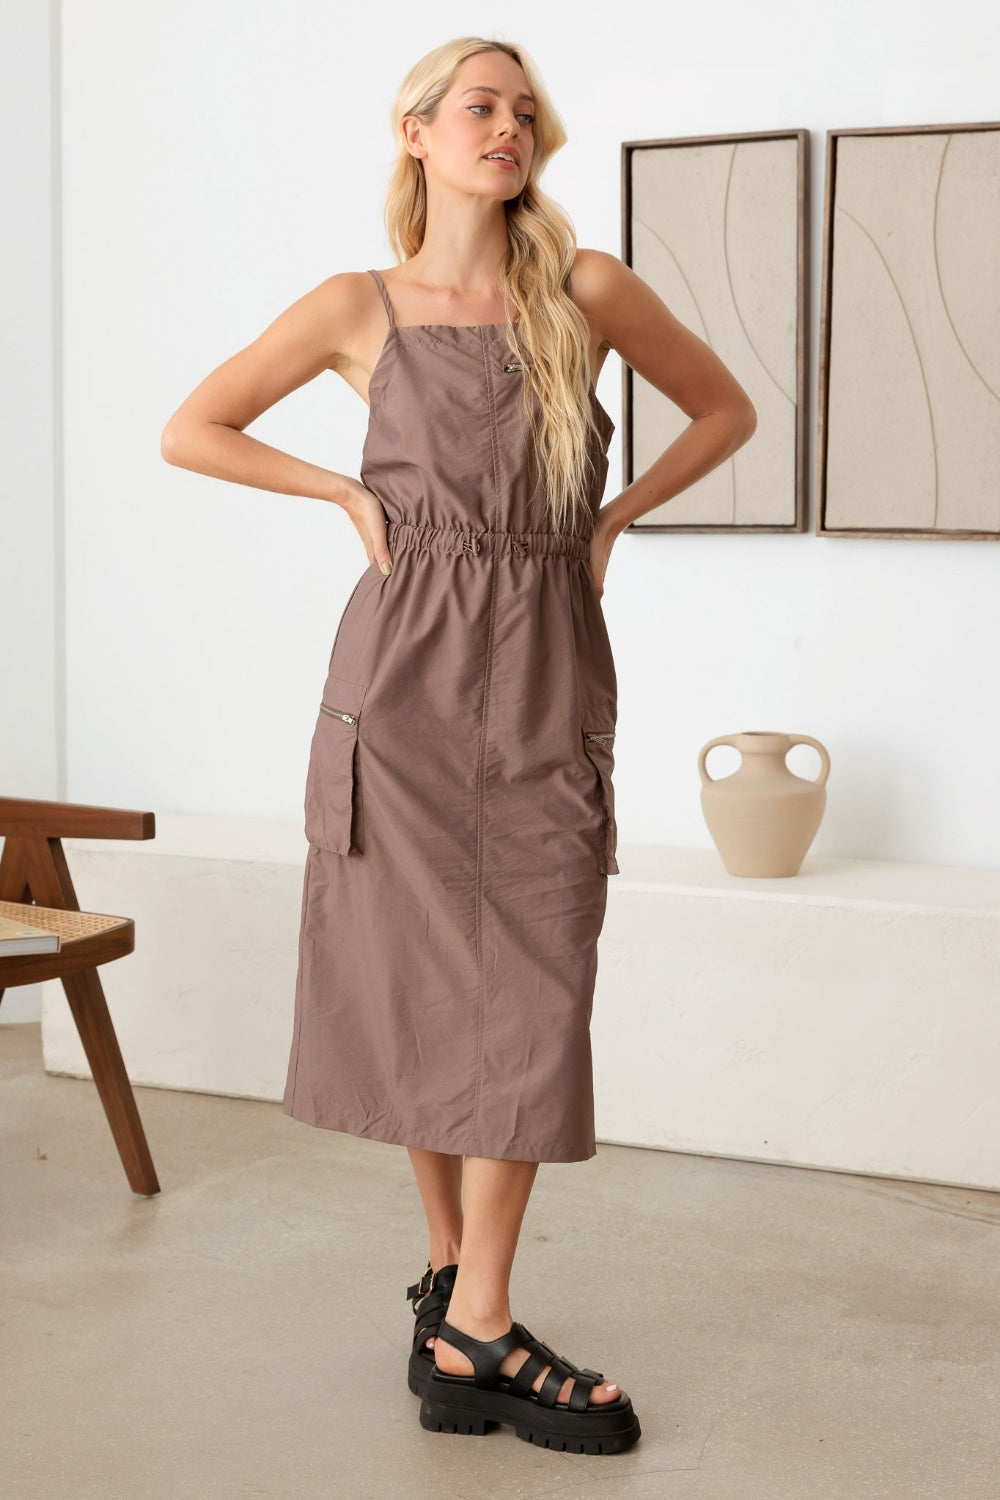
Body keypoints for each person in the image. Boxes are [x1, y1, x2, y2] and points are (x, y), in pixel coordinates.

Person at [161, 34, 756, 1456]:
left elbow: (727, 409)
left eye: (525, 111)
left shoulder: (584, 289)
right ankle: (465, 1310)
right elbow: (194, 429)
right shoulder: (355, 306)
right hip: (401, 685)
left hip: (546, 674)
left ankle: (470, 1314)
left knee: (533, 983)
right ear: (418, 133)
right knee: (425, 985)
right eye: (482, 106)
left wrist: (609, 520)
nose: (512, 127)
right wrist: (339, 496)